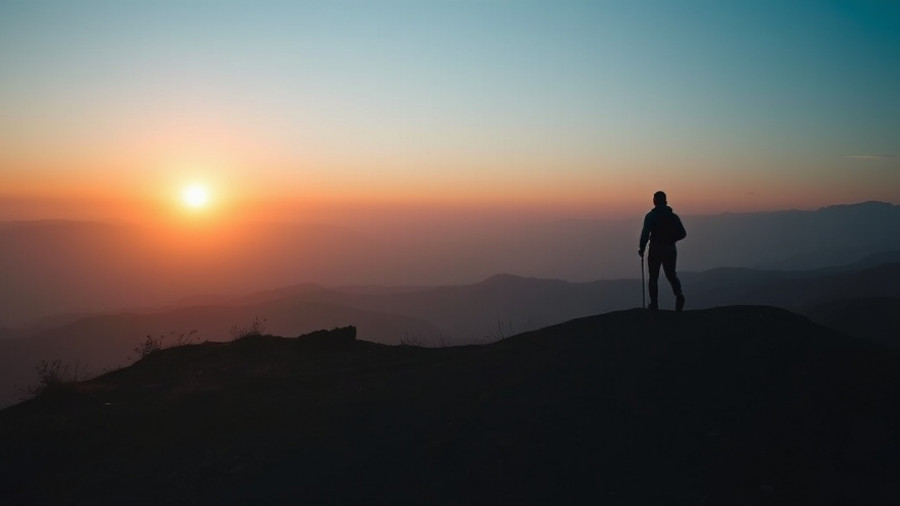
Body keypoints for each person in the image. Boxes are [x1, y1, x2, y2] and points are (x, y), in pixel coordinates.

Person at [639, 191, 686, 311]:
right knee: (671, 275)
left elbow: (645, 233)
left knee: (653, 277)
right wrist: (671, 239)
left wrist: (642, 248)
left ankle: (654, 304)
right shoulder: (673, 217)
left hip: (655, 249)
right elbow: (682, 233)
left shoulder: (651, 216)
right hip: (670, 249)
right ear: (665, 201)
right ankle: (679, 294)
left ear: (654, 201)